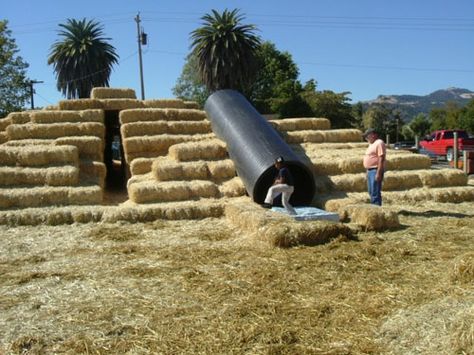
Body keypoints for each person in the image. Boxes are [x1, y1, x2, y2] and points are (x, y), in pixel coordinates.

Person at [362, 128, 386, 206]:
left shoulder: (379, 143)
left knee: (375, 191)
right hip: (370, 170)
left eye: (367, 136)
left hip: (375, 170)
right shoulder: (371, 144)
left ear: (373, 135)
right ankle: (374, 208)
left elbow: (381, 158)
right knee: (371, 191)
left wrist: (378, 172)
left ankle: (376, 210)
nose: (366, 138)